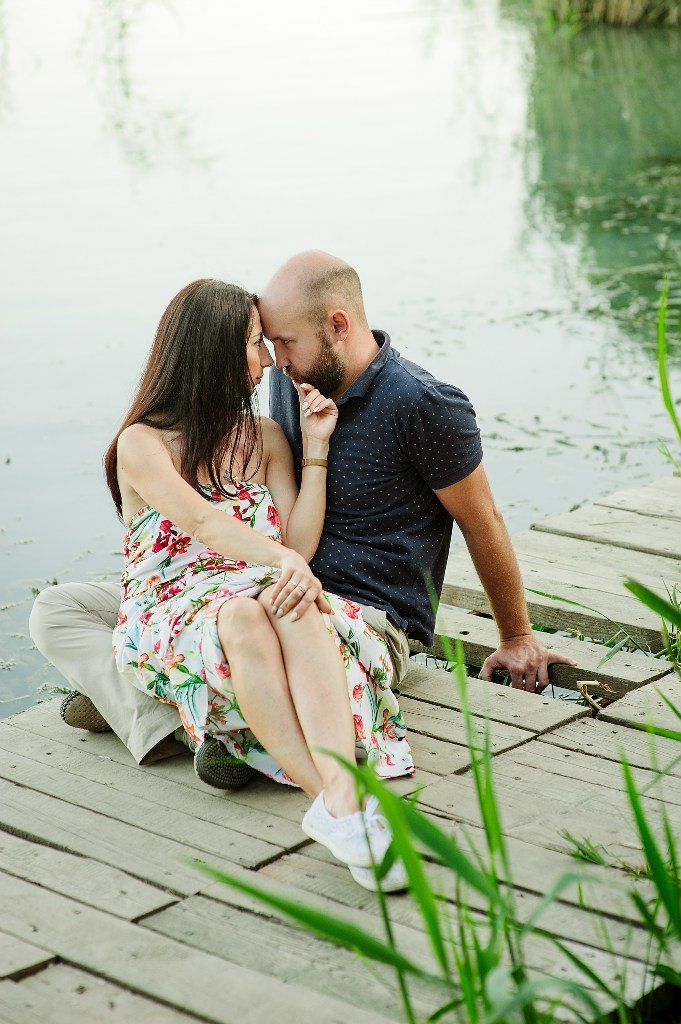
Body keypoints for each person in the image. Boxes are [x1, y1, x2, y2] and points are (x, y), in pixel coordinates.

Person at [29, 252, 574, 789]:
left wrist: (517, 635)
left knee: (253, 626)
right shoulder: (288, 384)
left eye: (284, 342)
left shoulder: (423, 404)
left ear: (337, 325)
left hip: (357, 610)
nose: (274, 360)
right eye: (263, 343)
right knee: (60, 609)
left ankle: (196, 715)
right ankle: (184, 720)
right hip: (240, 580)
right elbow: (228, 518)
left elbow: (483, 519)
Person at [102, 278, 414, 891]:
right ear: (212, 352)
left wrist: (316, 448)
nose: (269, 359)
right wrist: (281, 563)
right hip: (174, 603)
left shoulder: (267, 436)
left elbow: (297, 545)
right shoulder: (142, 442)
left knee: (288, 601)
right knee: (246, 613)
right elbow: (201, 522)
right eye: (253, 343)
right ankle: (335, 799)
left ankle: (339, 804)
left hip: (255, 585)